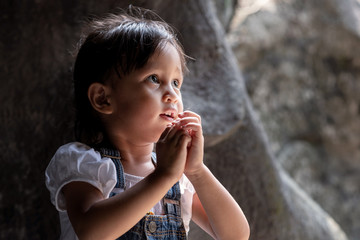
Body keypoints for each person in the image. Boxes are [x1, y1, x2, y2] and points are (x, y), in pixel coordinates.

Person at [45, 6, 250, 240]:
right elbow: (92, 233)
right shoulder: (85, 164)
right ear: (103, 98)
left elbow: (236, 236)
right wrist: (162, 176)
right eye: (154, 79)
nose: (172, 94)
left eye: (176, 82)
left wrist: (197, 171)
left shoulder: (179, 178)